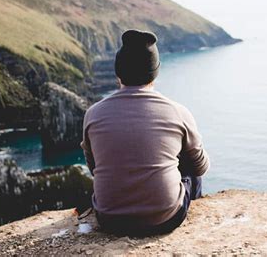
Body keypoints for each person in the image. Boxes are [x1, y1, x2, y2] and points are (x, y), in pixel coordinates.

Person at [80, 29, 210, 236]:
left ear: (118, 72)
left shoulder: (93, 114)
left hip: (109, 219)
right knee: (188, 162)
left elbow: (94, 167)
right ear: (155, 72)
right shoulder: (177, 112)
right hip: (164, 219)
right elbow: (200, 168)